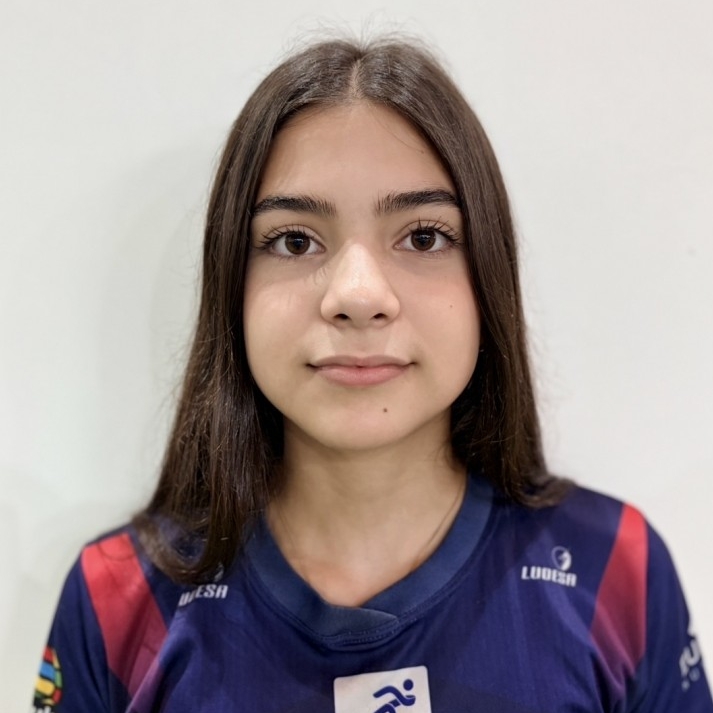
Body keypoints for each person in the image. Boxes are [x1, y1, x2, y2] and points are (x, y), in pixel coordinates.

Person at [33, 37, 712, 713]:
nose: (358, 296)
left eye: (423, 236)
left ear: (488, 277)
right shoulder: (114, 598)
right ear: (231, 284)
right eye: (295, 240)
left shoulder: (616, 568)